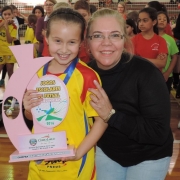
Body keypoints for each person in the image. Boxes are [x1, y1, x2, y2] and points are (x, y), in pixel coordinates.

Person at [86, 8, 173, 180]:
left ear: (124, 39)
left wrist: (111, 115)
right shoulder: (84, 74)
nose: (106, 42)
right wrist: (31, 112)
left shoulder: (146, 73)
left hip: (149, 155)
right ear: (87, 41)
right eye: (97, 36)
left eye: (114, 35)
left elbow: (158, 132)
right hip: (110, 151)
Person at [23, 8, 107, 180]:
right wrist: (28, 109)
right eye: (58, 41)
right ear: (46, 37)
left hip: (75, 164)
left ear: (81, 42)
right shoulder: (35, 72)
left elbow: (102, 121)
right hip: (39, 162)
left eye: (71, 42)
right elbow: (32, 117)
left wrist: (79, 153)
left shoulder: (87, 76)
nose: (64, 49)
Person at [157, 11, 179, 93]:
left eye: (164, 19)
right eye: (159, 19)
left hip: (167, 75)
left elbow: (174, 57)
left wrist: (168, 72)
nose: (162, 21)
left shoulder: (170, 40)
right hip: (151, 74)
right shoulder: (150, 37)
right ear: (154, 21)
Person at [0, 6, 17, 81]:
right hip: (0, 51)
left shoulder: (14, 26)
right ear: (2, 15)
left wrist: (6, 27)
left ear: (12, 15)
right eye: (5, 14)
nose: (7, 16)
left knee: (10, 71)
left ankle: (12, 90)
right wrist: (4, 22)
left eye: (9, 14)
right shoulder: (1, 22)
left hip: (9, 51)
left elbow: (9, 40)